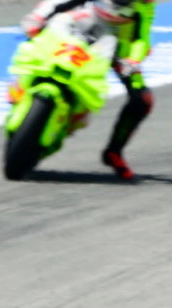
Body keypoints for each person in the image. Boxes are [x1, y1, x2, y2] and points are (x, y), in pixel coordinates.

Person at [20, 0, 157, 180]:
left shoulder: (146, 4)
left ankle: (114, 152)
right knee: (36, 38)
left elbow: (142, 37)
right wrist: (38, 17)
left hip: (117, 42)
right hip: (81, 20)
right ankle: (24, 84)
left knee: (143, 99)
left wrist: (133, 60)